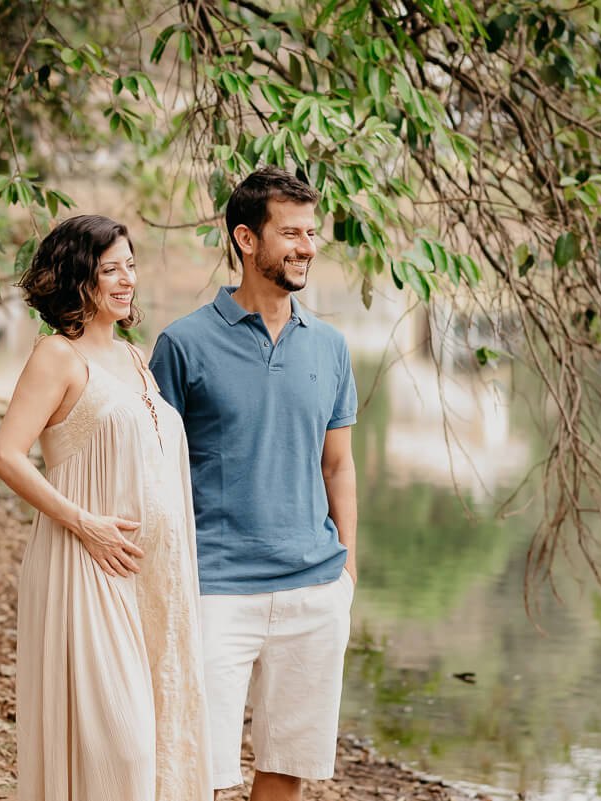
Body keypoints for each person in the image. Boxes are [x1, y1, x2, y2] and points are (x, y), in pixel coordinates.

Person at [149, 166, 359, 801]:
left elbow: (338, 464)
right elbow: (155, 472)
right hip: (215, 590)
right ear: (246, 238)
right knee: (199, 771)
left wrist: (348, 567)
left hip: (314, 588)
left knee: (287, 767)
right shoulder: (182, 345)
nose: (306, 247)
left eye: (312, 232)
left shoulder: (329, 346)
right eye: (290, 232)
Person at [0, 214, 212, 801]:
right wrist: (87, 525)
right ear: (76, 278)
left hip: (151, 577)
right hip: (85, 569)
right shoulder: (56, 356)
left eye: (130, 266)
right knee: (122, 751)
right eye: (109, 269)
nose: (126, 280)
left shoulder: (137, 358)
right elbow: (6, 457)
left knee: (158, 739)